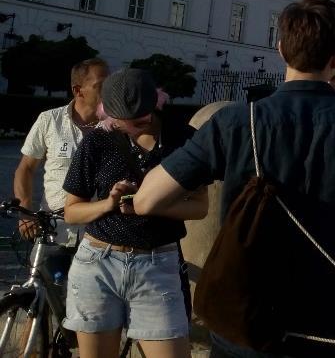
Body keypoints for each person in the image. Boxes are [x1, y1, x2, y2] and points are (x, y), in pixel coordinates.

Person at [134, 0, 335, 358]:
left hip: (245, 319)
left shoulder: (235, 123)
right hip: (327, 325)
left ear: (281, 49)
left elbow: (147, 200)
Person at [63, 68, 206, 358]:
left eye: (141, 120)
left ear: (156, 105)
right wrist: (109, 203)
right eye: (122, 122)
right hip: (98, 263)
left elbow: (201, 206)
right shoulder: (97, 141)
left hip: (157, 264)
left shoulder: (184, 139)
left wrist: (152, 204)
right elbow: (72, 212)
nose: (132, 127)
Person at [14, 58, 109, 246]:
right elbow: (25, 168)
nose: (109, 90)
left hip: (99, 235)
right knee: (41, 274)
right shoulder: (50, 120)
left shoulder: (117, 127)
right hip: (54, 229)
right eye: (101, 85)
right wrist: (25, 210)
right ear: (78, 90)